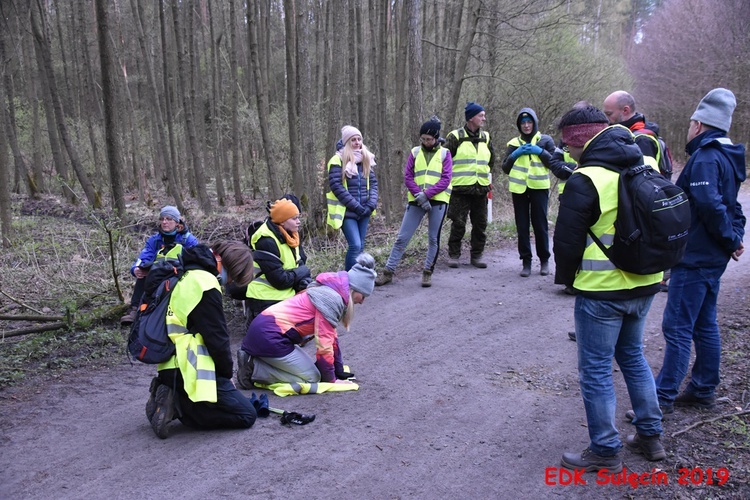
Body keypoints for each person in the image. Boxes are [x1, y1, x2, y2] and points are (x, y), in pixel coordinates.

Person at [554, 105, 666, 472]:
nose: (567, 153)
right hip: (647, 282)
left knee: (597, 368)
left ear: (581, 140)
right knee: (633, 356)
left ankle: (605, 448)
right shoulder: (642, 161)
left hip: (602, 291)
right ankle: (650, 435)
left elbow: (567, 243)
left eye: (569, 146)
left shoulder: (586, 178)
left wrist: (570, 281)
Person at [651, 88, 745, 415]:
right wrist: (734, 238)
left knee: (677, 327)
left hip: (696, 257)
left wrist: (730, 238)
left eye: (692, 122)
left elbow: (709, 203)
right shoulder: (729, 155)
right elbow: (734, 207)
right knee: (704, 323)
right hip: (712, 256)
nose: (689, 127)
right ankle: (703, 388)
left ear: (700, 125)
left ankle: (660, 400)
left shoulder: (706, 156)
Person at [145, 241, 257, 439]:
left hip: (167, 365)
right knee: (246, 414)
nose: (228, 283)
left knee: (214, 401)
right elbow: (217, 338)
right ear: (230, 267)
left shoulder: (186, 272)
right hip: (188, 365)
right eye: (232, 279)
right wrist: (226, 375)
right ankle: (178, 407)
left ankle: (167, 393)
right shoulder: (205, 283)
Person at [235, 253, 377, 388]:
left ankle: (256, 360)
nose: (362, 302)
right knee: (312, 377)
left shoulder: (329, 291)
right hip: (269, 336)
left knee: (314, 370)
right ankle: (253, 369)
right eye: (363, 296)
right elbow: (324, 343)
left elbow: (332, 337)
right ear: (354, 290)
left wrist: (338, 370)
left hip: (267, 331)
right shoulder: (331, 300)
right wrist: (331, 380)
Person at [375, 117, 452, 288]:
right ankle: (388, 271)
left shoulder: (445, 154)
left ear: (436, 138)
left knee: (433, 239)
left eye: (429, 139)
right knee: (402, 238)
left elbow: (446, 179)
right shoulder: (415, 152)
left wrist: (427, 195)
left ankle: (427, 272)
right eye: (423, 139)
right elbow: (408, 176)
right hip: (416, 200)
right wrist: (419, 194)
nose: (426, 142)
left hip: (438, 201)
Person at [228, 196, 311, 322]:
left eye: (298, 218)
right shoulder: (266, 240)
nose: (299, 222)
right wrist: (303, 272)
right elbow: (280, 280)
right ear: (282, 221)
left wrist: (302, 279)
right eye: (295, 219)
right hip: (265, 299)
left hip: (286, 293)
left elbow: (299, 262)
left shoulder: (290, 234)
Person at [120, 206, 199, 326]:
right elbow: (144, 257)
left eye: (168, 219)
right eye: (162, 219)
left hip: (180, 274)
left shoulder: (188, 239)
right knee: (143, 274)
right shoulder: (154, 240)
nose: (164, 222)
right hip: (158, 274)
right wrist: (136, 268)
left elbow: (197, 259)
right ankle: (135, 309)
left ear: (177, 222)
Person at [501, 108, 556, 277]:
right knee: (522, 226)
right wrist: (515, 155)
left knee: (540, 225)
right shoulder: (513, 144)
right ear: (519, 125)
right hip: (519, 190)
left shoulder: (545, 140)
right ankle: (526, 262)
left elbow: (554, 163)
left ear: (535, 123)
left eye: (529, 122)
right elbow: (505, 168)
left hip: (539, 187)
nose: (526, 126)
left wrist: (540, 152)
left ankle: (544, 261)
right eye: (523, 123)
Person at [444, 102, 495, 269]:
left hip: (481, 189)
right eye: (481, 115)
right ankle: (454, 255)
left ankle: (477, 255)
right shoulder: (455, 137)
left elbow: (491, 161)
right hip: (460, 190)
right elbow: (444, 161)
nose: (484, 118)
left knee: (480, 225)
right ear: (471, 118)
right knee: (458, 224)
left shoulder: (486, 137)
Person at [326, 126, 378, 271]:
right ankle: (349, 281)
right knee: (355, 245)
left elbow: (373, 183)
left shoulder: (366, 158)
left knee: (361, 245)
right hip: (347, 211)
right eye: (353, 139)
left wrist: (371, 204)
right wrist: (356, 206)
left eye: (359, 139)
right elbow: (336, 186)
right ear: (347, 142)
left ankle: (358, 279)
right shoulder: (337, 159)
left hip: (365, 210)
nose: (357, 142)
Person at [602, 91, 668, 178]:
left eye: (609, 114)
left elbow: (644, 179)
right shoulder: (625, 133)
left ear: (625, 110)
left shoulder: (643, 140)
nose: (606, 119)